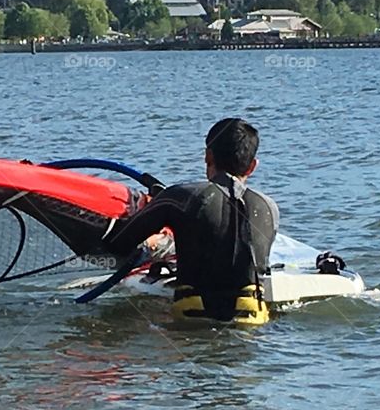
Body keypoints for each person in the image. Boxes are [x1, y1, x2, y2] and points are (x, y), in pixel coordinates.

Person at [100, 118, 279, 324]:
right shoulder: (269, 208)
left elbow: (118, 243)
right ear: (252, 167)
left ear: (208, 156)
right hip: (253, 324)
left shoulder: (178, 197)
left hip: (191, 320)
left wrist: (157, 206)